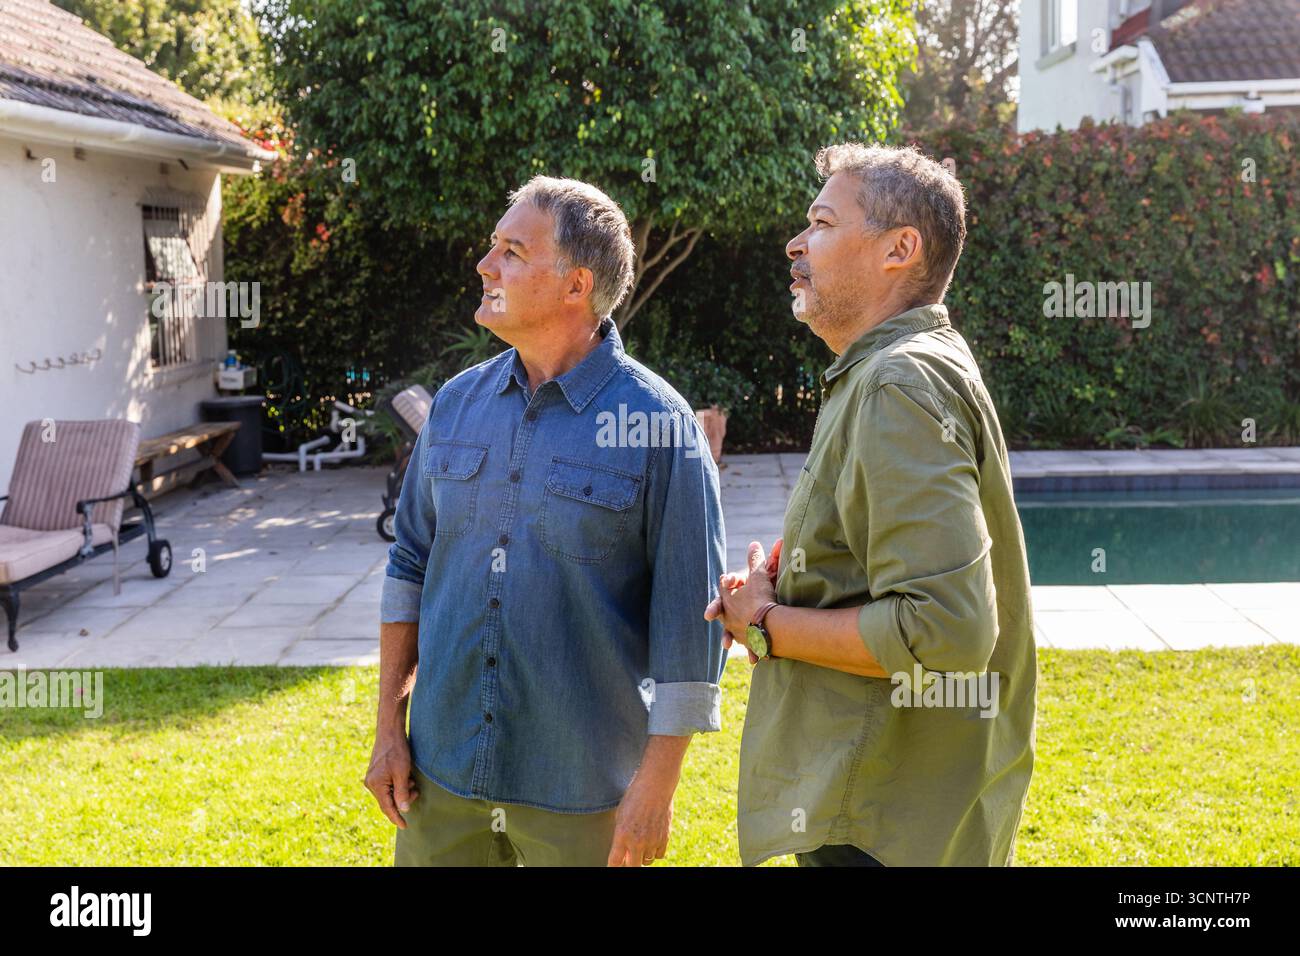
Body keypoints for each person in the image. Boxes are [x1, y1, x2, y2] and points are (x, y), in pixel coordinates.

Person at [370, 176, 727, 866]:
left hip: (585, 793)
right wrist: (389, 726)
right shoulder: (455, 405)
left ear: (575, 285)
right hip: (440, 781)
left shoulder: (659, 426)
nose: (485, 265)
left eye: (511, 250)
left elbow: (691, 621)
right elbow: (408, 566)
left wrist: (658, 784)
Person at [708, 143, 1037, 867]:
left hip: (884, 828)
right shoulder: (895, 368)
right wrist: (785, 587)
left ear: (900, 249)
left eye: (822, 222)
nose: (795, 243)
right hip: (891, 807)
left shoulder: (899, 383)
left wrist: (764, 621)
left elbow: (944, 627)